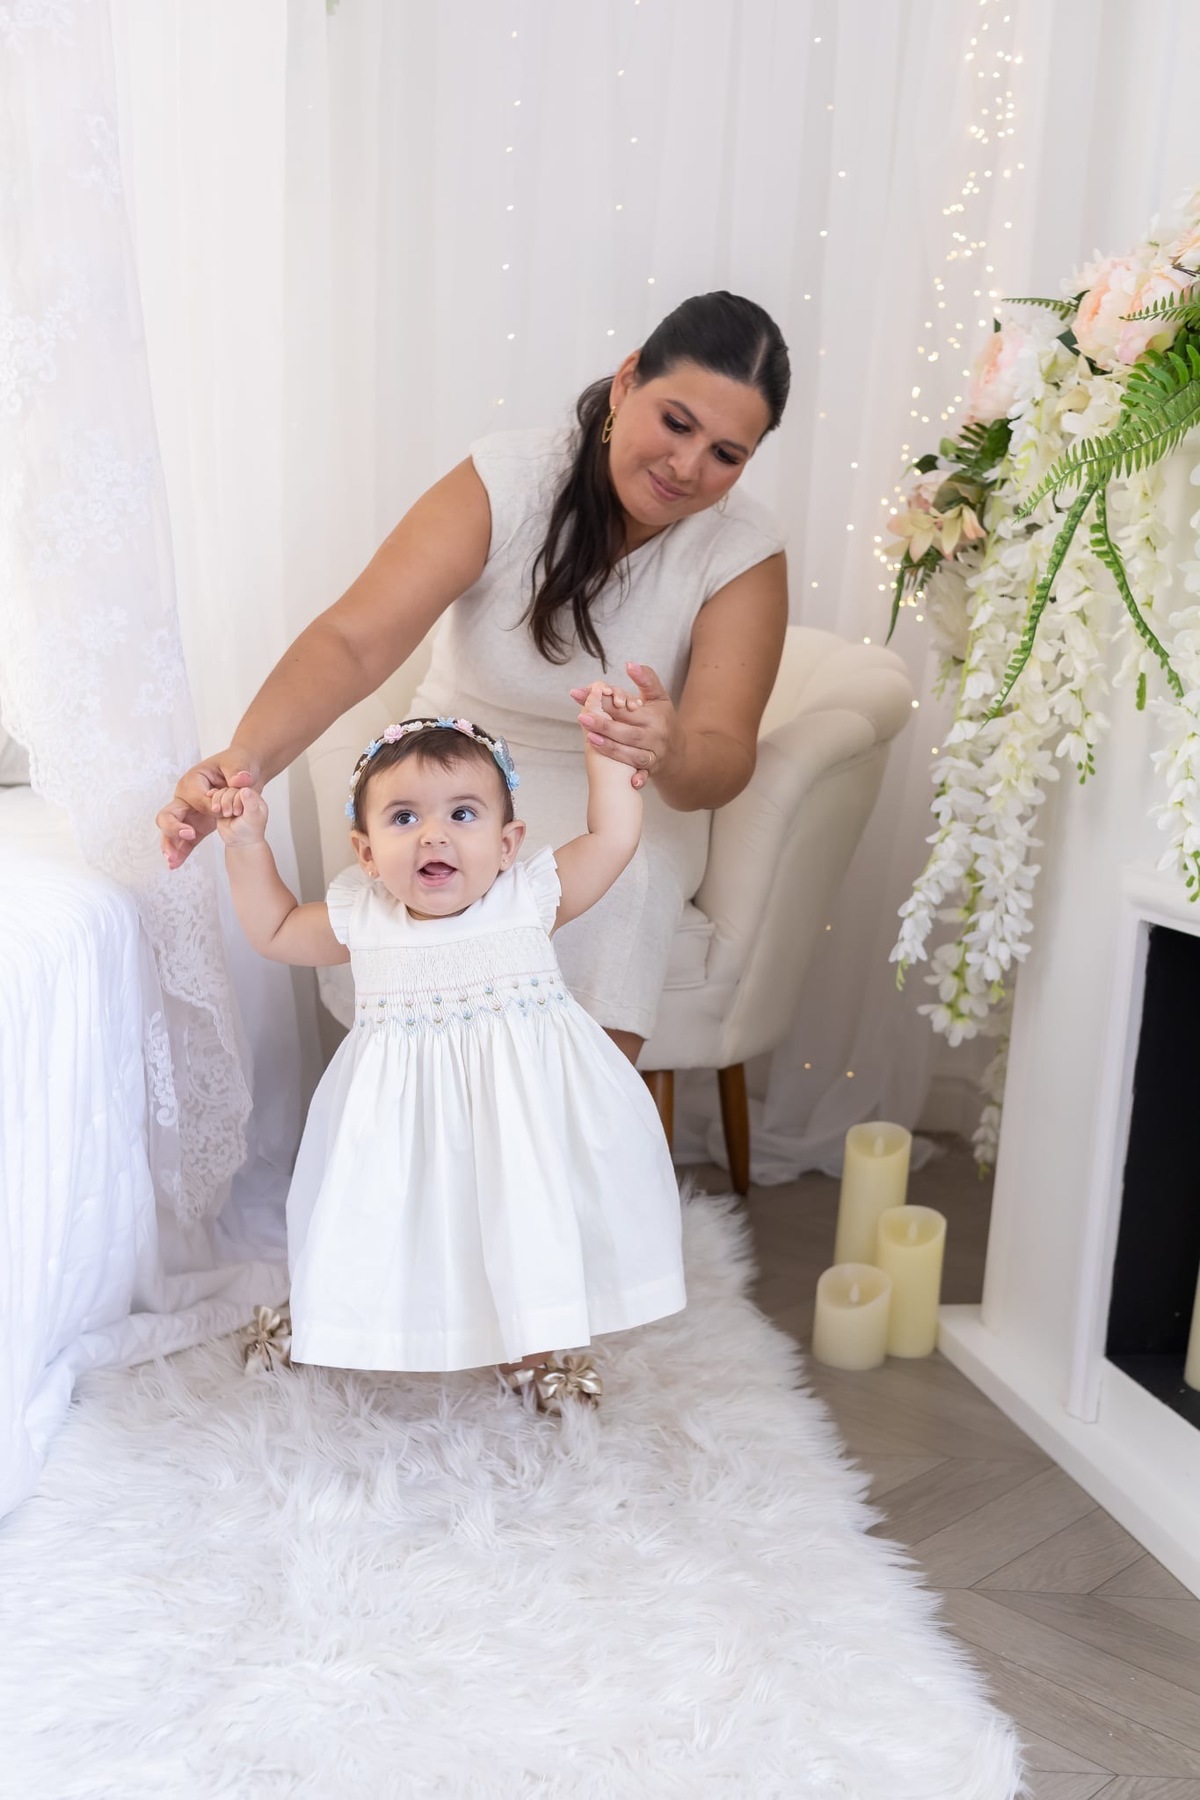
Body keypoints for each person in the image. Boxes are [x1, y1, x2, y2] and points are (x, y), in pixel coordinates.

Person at [158, 291, 791, 1064]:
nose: (687, 467)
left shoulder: (744, 551)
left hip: (627, 793)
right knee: (425, 866)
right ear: (627, 383)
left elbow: (718, 764)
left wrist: (670, 748)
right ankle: (423, 1130)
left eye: (727, 454)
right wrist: (242, 762)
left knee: (624, 882)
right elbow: (355, 640)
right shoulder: (511, 478)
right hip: (459, 764)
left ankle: (573, 1152)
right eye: (677, 422)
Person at [214, 692, 685, 1408]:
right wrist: (247, 846)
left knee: (525, 1223)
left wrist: (608, 750)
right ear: (367, 853)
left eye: (462, 813)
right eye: (405, 818)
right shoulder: (363, 917)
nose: (434, 835)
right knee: (393, 1229)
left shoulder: (529, 898)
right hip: (406, 1132)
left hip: (523, 1118)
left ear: (506, 843)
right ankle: (350, 1322)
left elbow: (613, 840)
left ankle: (532, 1352)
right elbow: (275, 929)